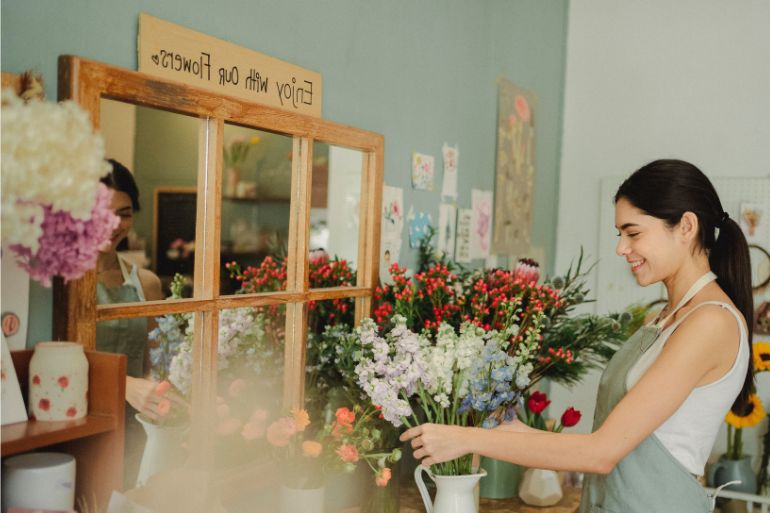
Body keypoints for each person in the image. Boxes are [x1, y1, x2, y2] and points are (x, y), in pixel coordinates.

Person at [401, 159, 754, 512]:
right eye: (620, 235)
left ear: (686, 226)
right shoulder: (663, 317)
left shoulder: (710, 322)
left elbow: (600, 453)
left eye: (633, 233)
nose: (621, 248)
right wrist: (506, 429)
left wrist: (463, 439)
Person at [97, 159, 180, 486]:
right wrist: (124, 385)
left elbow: (155, 363)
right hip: (79, 423)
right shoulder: (59, 283)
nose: (113, 224)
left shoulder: (146, 284)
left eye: (125, 213)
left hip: (134, 430)